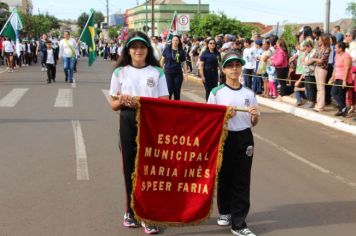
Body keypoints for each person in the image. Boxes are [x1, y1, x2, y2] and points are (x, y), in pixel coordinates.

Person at [109, 31, 168, 235]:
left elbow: (164, 101)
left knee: (148, 168)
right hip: (127, 121)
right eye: (134, 47)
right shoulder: (120, 73)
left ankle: (148, 215)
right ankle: (130, 211)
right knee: (130, 168)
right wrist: (123, 101)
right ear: (128, 50)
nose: (138, 51)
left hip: (151, 122)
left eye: (142, 47)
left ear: (147, 50)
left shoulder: (157, 72)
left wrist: (142, 102)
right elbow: (113, 104)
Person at [208, 52, 259, 236]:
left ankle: (239, 224)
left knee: (242, 181)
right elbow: (210, 121)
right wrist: (224, 117)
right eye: (230, 66)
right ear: (223, 69)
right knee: (224, 177)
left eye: (237, 65)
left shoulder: (249, 93)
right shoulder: (216, 93)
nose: (234, 69)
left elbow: (253, 122)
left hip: (244, 138)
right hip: (224, 138)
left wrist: (254, 116)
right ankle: (225, 211)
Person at [161, 35, 187, 100]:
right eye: (173, 40)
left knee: (177, 92)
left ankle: (177, 108)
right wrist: (160, 71)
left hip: (178, 74)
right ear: (171, 41)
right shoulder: (167, 49)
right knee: (169, 90)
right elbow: (162, 60)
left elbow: (184, 63)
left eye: (176, 40)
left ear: (179, 42)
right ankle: (168, 107)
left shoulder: (181, 51)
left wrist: (186, 74)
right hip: (168, 73)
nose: (175, 42)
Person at [330, 42, 352, 116]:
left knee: (337, 94)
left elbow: (346, 69)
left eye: (336, 48)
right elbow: (335, 67)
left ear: (341, 48)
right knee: (336, 93)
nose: (335, 49)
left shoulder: (347, 56)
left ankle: (343, 109)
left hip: (344, 78)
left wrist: (344, 81)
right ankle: (342, 109)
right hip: (337, 77)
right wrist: (333, 76)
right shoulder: (336, 55)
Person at [310, 33, 331, 112]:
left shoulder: (327, 49)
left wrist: (314, 60)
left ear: (324, 40)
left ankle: (321, 106)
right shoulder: (318, 49)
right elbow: (314, 57)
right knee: (318, 87)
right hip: (317, 68)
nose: (318, 41)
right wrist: (315, 60)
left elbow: (322, 60)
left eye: (320, 39)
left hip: (323, 69)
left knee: (321, 87)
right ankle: (318, 104)